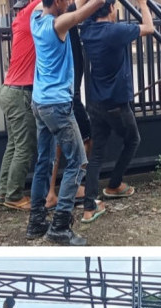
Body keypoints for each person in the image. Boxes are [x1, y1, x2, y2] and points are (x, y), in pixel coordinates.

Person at [25, 0, 104, 245]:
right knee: (78, 161)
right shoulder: (57, 26)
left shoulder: (35, 19)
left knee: (44, 162)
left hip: (39, 103)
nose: (69, 2)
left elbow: (73, 9)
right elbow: (86, 9)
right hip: (57, 106)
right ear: (57, 2)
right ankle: (60, 225)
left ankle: (36, 220)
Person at [79, 0, 155, 223]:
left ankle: (89, 206)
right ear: (112, 8)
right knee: (132, 140)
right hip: (116, 104)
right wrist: (142, 4)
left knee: (97, 153)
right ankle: (114, 185)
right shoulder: (116, 31)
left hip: (95, 103)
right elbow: (149, 27)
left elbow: (82, 10)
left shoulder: (88, 30)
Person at [0, 0, 42, 211]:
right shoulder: (34, 9)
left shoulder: (20, 17)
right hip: (20, 92)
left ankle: (4, 192)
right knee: (25, 146)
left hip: (10, 90)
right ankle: (14, 196)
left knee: (13, 145)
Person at [45, 0, 91, 212]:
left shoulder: (41, 20)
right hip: (69, 95)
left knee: (56, 141)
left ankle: (52, 192)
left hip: (54, 95)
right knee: (85, 139)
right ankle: (73, 189)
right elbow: (81, 6)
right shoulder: (65, 15)